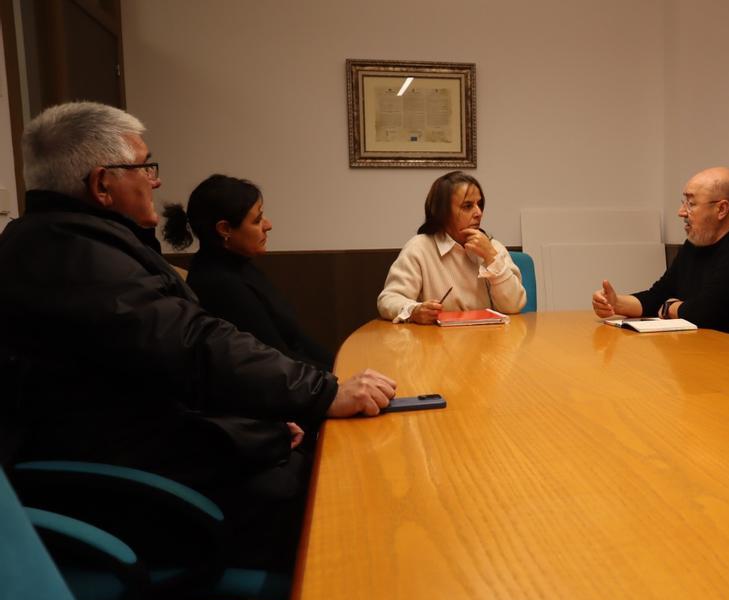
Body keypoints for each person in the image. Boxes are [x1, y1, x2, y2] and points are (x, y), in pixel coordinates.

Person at [0, 102, 396, 570]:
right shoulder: (72, 258)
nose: (156, 179)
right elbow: (192, 344)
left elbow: (159, 363)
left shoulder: (62, 239)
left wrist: (256, 424)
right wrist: (320, 393)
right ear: (102, 183)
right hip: (127, 487)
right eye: (144, 165)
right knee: (328, 495)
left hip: (142, 447)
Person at [591, 167, 729, 350]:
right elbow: (660, 294)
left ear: (721, 209)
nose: (681, 212)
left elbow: (704, 313)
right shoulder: (698, 241)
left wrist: (669, 308)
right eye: (683, 202)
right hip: (714, 355)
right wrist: (617, 303)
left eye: (691, 204)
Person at [162, 174, 333, 371]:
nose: (268, 225)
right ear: (225, 229)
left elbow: (295, 338)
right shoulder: (219, 284)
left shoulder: (236, 263)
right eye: (257, 219)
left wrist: (343, 367)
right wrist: (340, 381)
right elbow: (275, 361)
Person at [377, 171, 526, 324]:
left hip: (488, 340)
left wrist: (491, 258)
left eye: (479, 204)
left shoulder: (492, 246)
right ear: (443, 213)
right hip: (436, 342)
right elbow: (388, 299)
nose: (479, 213)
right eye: (468, 206)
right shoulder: (419, 248)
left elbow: (513, 307)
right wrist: (413, 311)